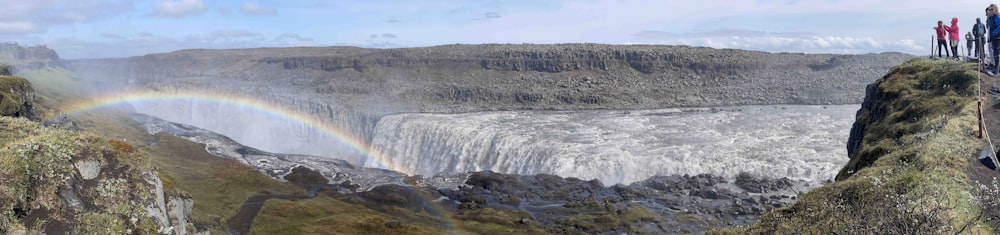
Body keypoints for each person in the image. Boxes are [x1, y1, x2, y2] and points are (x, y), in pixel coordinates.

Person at [990, 4, 1000, 75]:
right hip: (994, 38)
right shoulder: (992, 17)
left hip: (997, 38)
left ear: (996, 9)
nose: (990, 11)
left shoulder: (997, 17)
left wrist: (994, 32)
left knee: (997, 54)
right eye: (990, 9)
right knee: (995, 53)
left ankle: (996, 71)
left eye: (992, 9)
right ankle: (996, 70)